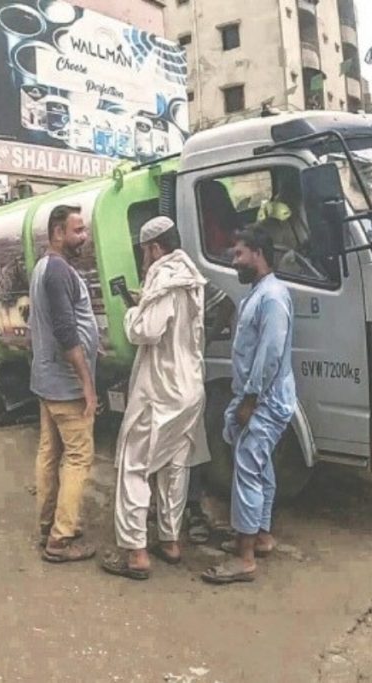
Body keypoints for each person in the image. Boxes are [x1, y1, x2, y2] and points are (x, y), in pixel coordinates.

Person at [101, 217, 208, 580]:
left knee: (134, 465)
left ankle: (136, 554)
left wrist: (133, 312)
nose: (143, 258)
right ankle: (170, 541)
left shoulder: (163, 278)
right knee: (174, 467)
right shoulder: (192, 277)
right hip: (190, 388)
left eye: (144, 251)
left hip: (161, 390)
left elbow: (146, 331)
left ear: (153, 247)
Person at [203, 227, 296, 585]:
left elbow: (270, 354)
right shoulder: (259, 295)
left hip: (264, 401)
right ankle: (261, 536)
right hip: (260, 398)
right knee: (260, 468)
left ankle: (244, 558)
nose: (234, 261)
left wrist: (251, 400)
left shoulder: (271, 298)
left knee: (247, 471)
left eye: (239, 254)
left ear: (258, 254)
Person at [29, 205, 100, 563]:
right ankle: (60, 539)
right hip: (66, 385)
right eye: (77, 230)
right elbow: (65, 331)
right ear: (58, 233)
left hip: (48, 382)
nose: (83, 236)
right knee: (78, 457)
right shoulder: (57, 271)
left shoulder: (46, 267)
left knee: (50, 453)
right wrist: (87, 382)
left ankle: (48, 524)